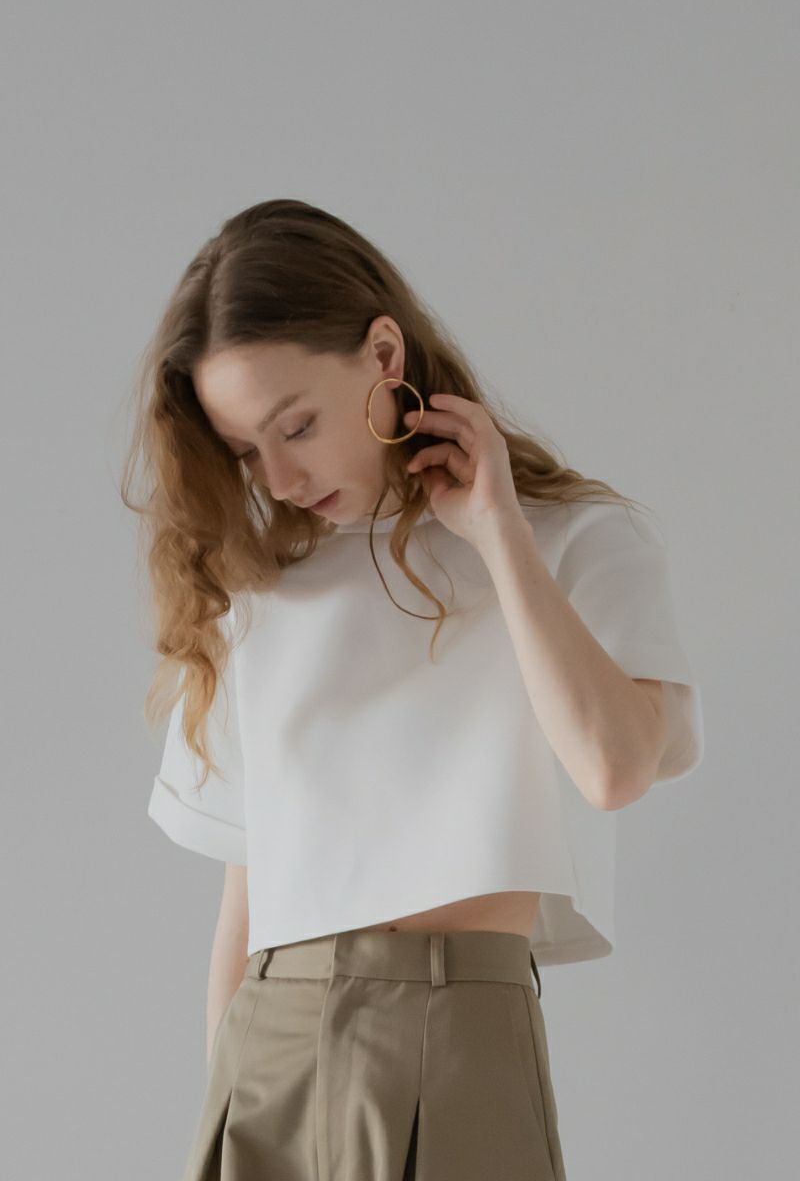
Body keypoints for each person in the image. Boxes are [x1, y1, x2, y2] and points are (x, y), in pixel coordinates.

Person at [123, 198, 704, 1181]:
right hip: (271, 1042)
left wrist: (497, 535)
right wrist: (217, 1100)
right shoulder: (259, 591)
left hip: (461, 1031)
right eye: (247, 451)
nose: (281, 476)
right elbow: (246, 904)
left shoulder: (574, 541)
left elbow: (614, 769)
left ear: (383, 354)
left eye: (296, 424)